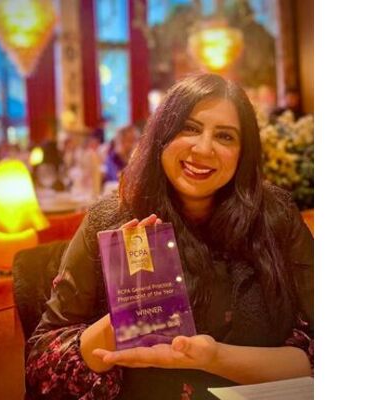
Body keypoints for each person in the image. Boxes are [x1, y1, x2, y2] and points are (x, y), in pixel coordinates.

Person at [25, 73, 313, 400]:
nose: (203, 148)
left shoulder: (275, 216)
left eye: (225, 136)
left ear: (243, 152)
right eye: (189, 128)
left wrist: (214, 357)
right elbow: (42, 369)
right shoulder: (109, 220)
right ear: (162, 134)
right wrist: (125, 318)